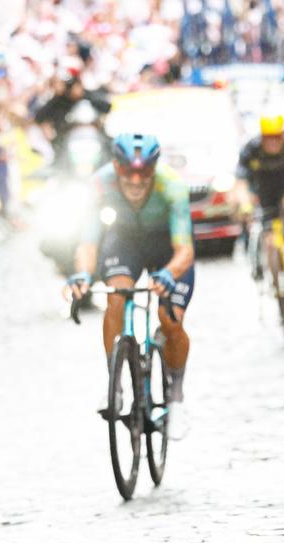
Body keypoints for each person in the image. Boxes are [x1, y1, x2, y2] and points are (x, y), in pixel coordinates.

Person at [66, 133, 194, 439]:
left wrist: (169, 273)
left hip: (167, 246)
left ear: (154, 169)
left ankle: (175, 399)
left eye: (144, 174)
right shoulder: (100, 184)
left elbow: (185, 251)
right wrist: (83, 274)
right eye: (128, 173)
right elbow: (88, 241)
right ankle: (116, 385)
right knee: (115, 299)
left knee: (169, 319)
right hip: (125, 242)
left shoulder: (172, 186)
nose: (136, 181)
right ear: (116, 167)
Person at [235, 115, 284, 281]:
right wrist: (245, 204)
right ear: (262, 137)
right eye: (268, 138)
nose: (273, 143)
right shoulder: (250, 149)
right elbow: (240, 183)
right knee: (268, 239)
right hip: (263, 195)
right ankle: (273, 278)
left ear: (283, 136)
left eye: (277, 138)